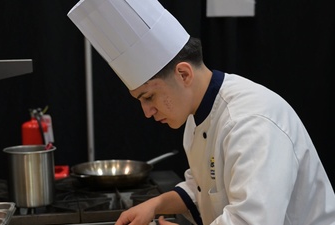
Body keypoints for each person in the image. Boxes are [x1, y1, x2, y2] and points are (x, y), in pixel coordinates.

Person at [68, 0, 335, 224]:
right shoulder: (197, 117)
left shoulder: (250, 122)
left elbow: (252, 221)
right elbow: (206, 190)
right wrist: (156, 204)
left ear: (183, 73)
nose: (147, 112)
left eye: (149, 96)